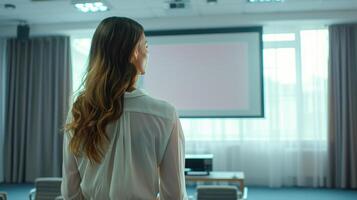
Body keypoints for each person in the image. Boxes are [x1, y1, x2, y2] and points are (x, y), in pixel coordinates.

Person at [61, 16, 187, 200]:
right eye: (146, 45)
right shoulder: (165, 114)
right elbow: (174, 195)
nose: (148, 52)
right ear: (133, 54)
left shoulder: (79, 110)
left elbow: (70, 192)